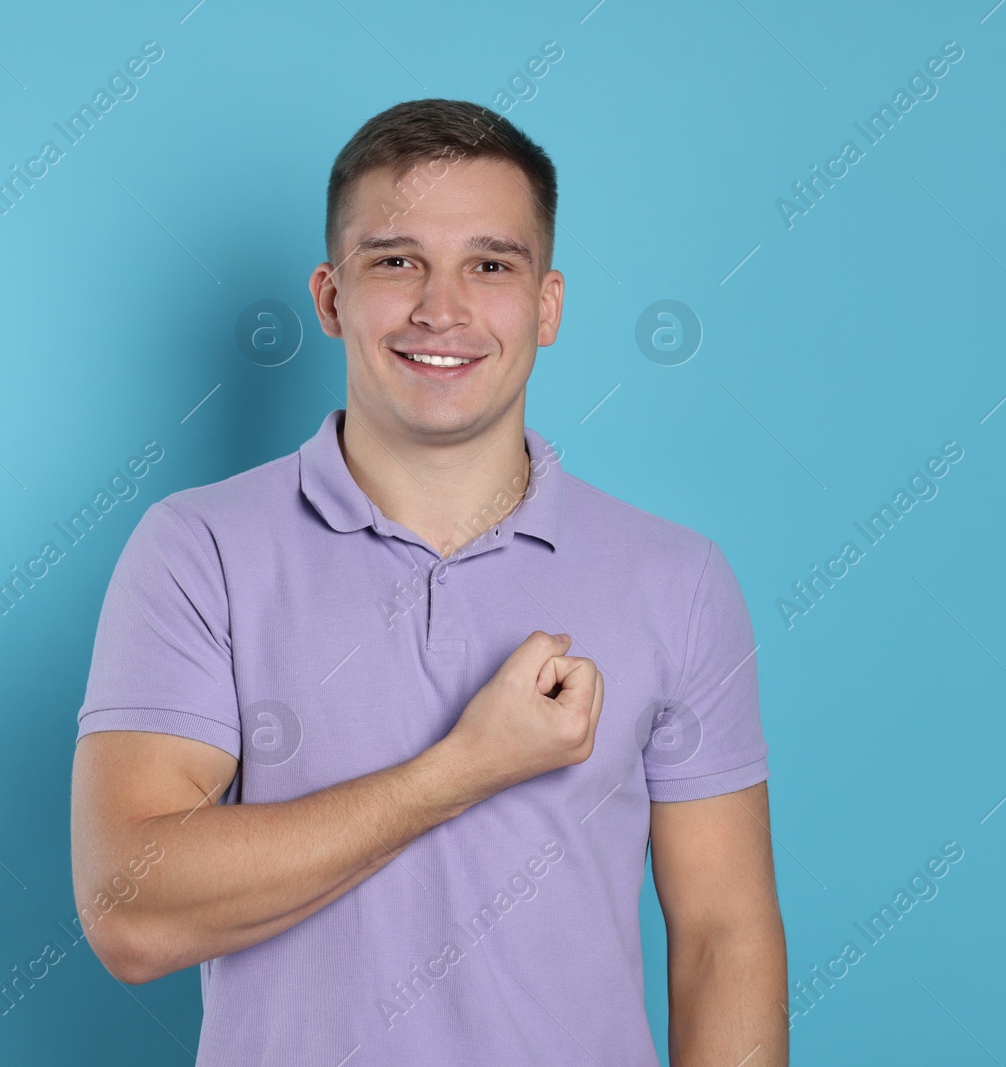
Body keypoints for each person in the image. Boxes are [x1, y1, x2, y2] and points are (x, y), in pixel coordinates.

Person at [70, 97, 786, 1065]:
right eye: (395, 260)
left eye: (489, 264)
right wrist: (458, 770)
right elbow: (129, 912)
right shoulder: (197, 550)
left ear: (547, 303)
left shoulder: (678, 579)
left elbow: (721, 938)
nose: (439, 309)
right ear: (329, 296)